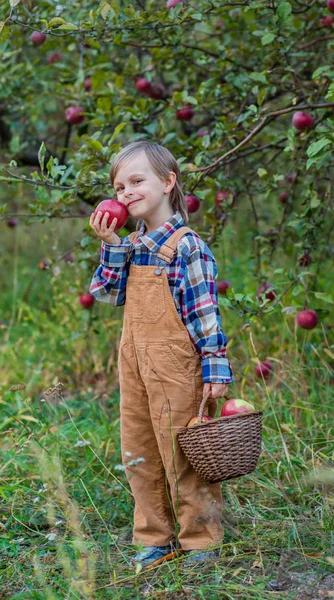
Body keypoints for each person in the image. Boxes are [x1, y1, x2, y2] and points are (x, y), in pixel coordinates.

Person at [88, 140, 233, 570]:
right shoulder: (131, 244)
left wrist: (215, 366)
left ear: (169, 182)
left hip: (176, 365)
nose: (126, 192)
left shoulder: (187, 246)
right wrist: (111, 242)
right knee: (138, 450)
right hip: (134, 362)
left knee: (182, 451)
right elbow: (105, 293)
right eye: (119, 186)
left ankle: (202, 538)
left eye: (137, 181)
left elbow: (205, 314)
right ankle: (156, 535)